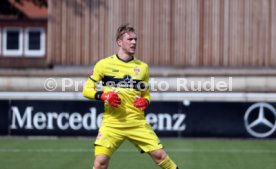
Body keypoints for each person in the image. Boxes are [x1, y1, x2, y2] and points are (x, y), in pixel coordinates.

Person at [83, 24, 179, 169]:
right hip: (112, 123)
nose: (134, 42)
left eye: (135, 39)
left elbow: (145, 93)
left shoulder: (143, 67)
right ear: (119, 42)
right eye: (130, 39)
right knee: (100, 163)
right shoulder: (104, 64)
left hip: (136, 122)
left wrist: (145, 101)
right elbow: (86, 90)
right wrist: (103, 96)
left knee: (161, 156)